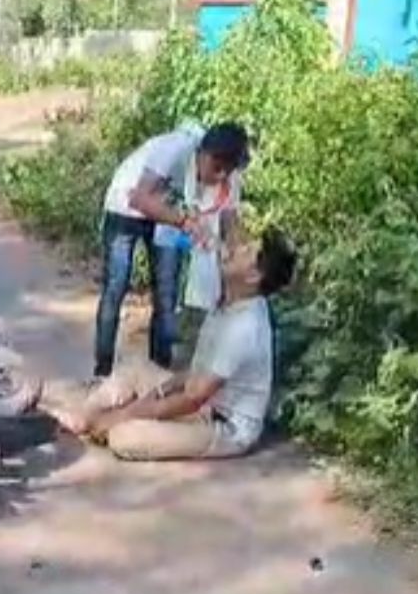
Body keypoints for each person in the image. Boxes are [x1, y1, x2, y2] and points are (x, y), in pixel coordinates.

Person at [65, 229, 297, 460]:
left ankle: (104, 423)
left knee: (124, 436)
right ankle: (83, 420)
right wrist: (157, 393)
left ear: (254, 275)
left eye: (245, 251)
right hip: (201, 401)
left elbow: (193, 398)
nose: (234, 250)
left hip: (224, 426)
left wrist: (128, 415)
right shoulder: (230, 300)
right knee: (134, 367)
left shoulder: (245, 328)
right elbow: (197, 372)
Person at [94, 120, 250, 380]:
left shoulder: (228, 177)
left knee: (167, 295)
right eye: (217, 168)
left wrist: (234, 267)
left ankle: (158, 373)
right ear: (203, 153)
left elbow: (230, 223)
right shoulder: (174, 149)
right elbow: (139, 198)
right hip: (125, 208)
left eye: (228, 170)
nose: (220, 176)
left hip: (167, 213)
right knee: (116, 287)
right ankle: (103, 370)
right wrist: (186, 223)